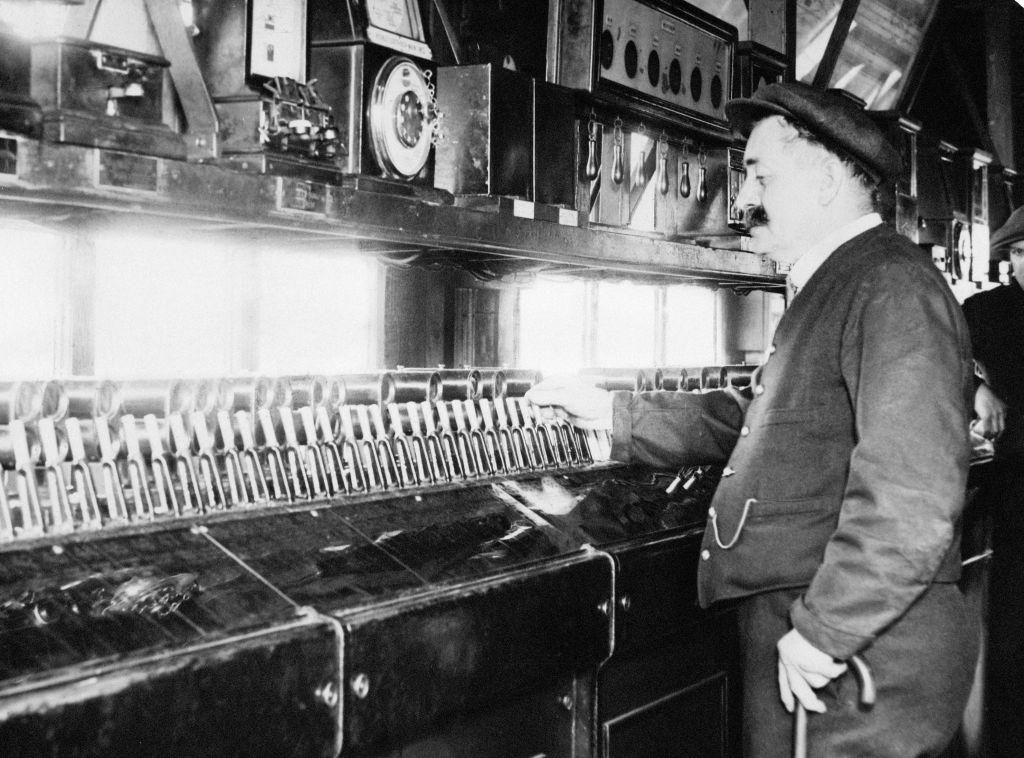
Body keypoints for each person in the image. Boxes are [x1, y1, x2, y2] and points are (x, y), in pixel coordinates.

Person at [527, 81, 977, 757]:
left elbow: (912, 494)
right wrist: (617, 414)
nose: (742, 200)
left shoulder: (889, 285)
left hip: (857, 656)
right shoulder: (839, 284)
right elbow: (765, 420)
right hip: (839, 639)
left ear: (825, 179)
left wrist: (826, 629)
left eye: (760, 174)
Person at [962, 206, 1024, 758]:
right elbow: (933, 359)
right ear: (1017, 256)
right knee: (1010, 641)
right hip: (1011, 491)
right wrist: (975, 390)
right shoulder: (984, 312)